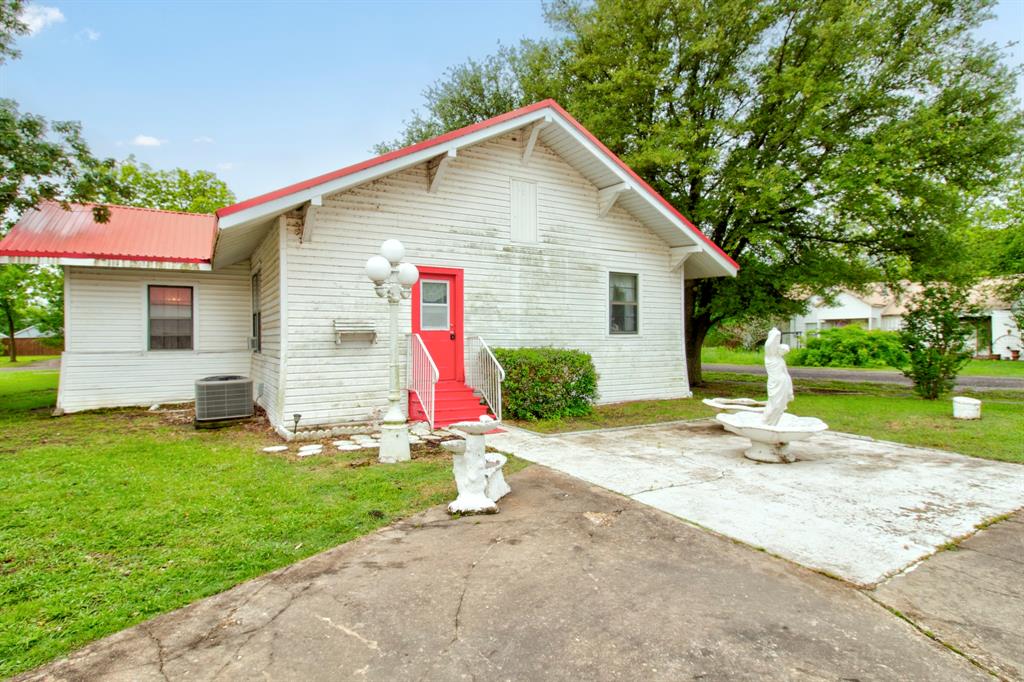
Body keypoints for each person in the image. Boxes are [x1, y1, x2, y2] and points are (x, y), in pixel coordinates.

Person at [763, 328, 794, 425]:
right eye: (783, 350)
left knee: (781, 406)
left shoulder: (780, 360)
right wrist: (776, 334)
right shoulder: (770, 356)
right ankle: (764, 423)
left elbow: (786, 374)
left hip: (783, 383)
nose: (784, 352)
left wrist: (790, 390)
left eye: (786, 352)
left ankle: (774, 424)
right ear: (777, 347)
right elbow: (769, 345)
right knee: (774, 405)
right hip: (775, 384)